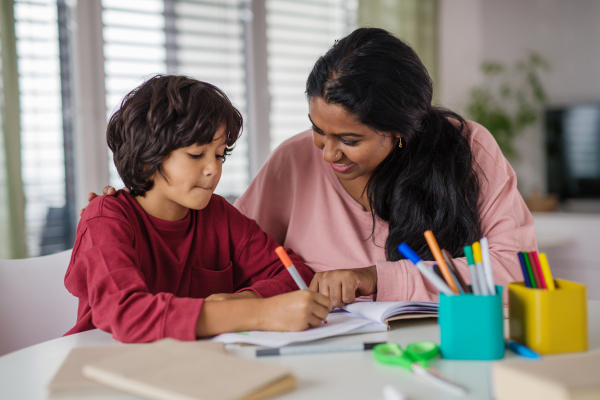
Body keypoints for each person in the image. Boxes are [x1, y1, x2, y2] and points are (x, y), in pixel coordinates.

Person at [87, 28, 536, 308]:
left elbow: (516, 271)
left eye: (350, 140)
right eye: (318, 129)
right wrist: (136, 209)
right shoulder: (294, 158)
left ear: (400, 131)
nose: (326, 154)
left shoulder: (469, 148)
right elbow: (220, 246)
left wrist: (372, 278)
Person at [65, 75, 331, 343]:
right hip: (106, 364)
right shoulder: (106, 218)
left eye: (219, 155)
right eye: (196, 155)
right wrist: (255, 312)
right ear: (147, 157)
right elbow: (127, 313)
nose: (213, 169)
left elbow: (295, 272)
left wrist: (243, 300)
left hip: (192, 363)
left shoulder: (218, 214)